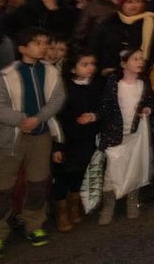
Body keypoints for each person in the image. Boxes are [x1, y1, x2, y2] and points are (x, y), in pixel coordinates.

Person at [0, 28, 66, 261]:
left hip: (40, 136)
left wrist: (37, 119)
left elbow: (57, 99)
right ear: (22, 48)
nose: (42, 47)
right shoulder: (7, 75)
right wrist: (21, 120)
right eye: (37, 43)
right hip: (12, 139)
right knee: (2, 188)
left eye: (45, 43)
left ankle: (33, 224)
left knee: (38, 183)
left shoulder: (51, 72)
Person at [96, 48, 154, 225]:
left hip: (136, 134)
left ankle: (132, 202)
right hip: (115, 133)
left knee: (134, 168)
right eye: (135, 59)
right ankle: (108, 205)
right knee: (112, 171)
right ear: (124, 63)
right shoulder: (114, 82)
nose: (140, 62)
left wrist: (148, 109)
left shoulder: (143, 82)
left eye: (141, 59)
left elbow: (151, 102)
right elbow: (105, 106)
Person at [50, 51, 101, 233]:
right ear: (73, 68)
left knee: (79, 172)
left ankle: (74, 205)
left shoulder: (95, 87)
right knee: (63, 175)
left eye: (92, 64)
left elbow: (104, 109)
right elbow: (56, 118)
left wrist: (94, 116)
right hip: (66, 139)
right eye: (84, 64)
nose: (90, 68)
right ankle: (61, 212)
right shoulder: (64, 89)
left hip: (86, 139)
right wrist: (57, 145)